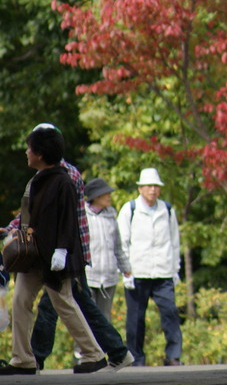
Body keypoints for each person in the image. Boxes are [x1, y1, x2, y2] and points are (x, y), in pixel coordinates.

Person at [4, 123, 133, 372]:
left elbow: (68, 220)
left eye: (29, 148)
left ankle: (94, 354)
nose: (26, 153)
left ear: (40, 153)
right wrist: (12, 230)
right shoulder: (37, 180)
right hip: (33, 256)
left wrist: (62, 252)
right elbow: (29, 216)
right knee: (21, 301)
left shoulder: (65, 180)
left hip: (56, 257)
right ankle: (23, 359)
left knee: (65, 303)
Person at [118, 167, 183, 367]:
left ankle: (173, 355)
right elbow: (122, 242)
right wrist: (125, 270)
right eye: (148, 186)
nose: (153, 190)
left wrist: (175, 269)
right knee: (136, 319)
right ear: (140, 188)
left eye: (156, 186)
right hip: (138, 271)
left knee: (170, 313)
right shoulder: (130, 209)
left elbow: (174, 241)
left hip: (163, 271)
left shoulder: (168, 209)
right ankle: (136, 357)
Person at [83, 178, 132, 321]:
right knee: (87, 319)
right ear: (96, 197)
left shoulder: (111, 216)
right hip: (88, 276)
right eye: (106, 194)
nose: (109, 196)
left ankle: (104, 345)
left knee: (105, 320)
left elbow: (117, 246)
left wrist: (125, 267)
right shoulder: (82, 216)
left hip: (109, 277)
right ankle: (83, 345)